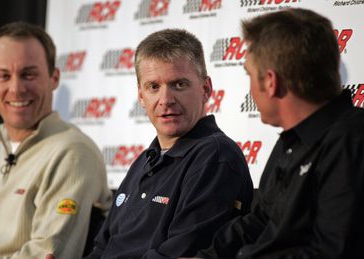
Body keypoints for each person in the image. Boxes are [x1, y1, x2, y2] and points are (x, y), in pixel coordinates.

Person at [194, 8, 364, 258]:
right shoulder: (292, 140)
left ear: (271, 82)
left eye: (250, 76)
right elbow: (260, 221)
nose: (250, 89)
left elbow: (333, 252)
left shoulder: (352, 141)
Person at [84, 29, 253, 258]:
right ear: (141, 96)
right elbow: (102, 249)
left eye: (179, 84)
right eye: (154, 87)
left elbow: (179, 253)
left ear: (206, 89)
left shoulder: (216, 156)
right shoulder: (143, 161)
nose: (165, 100)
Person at [0, 21, 112, 259]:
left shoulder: (72, 153)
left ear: (54, 78)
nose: (16, 89)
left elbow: (49, 253)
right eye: (3, 76)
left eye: (28, 74)